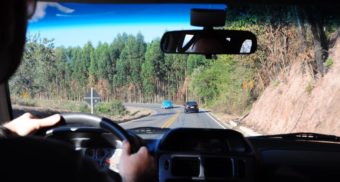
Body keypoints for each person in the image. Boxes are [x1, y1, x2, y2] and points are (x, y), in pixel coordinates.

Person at [0, 1, 155, 181]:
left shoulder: (14, 156)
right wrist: (136, 178)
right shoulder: (69, 166)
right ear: (10, 27)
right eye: (29, 9)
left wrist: (6, 133)